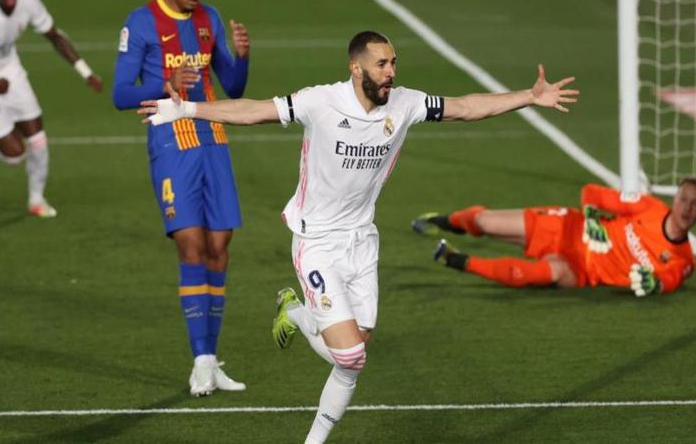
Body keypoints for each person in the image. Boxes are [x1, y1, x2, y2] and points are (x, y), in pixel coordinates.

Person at [136, 30, 578, 442]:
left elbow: (465, 106)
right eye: (383, 64)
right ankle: (300, 329)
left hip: (362, 241)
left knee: (354, 357)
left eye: (394, 63)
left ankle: (296, 316)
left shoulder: (404, 103)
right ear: (356, 68)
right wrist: (188, 109)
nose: (391, 72)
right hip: (317, 242)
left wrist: (529, 97)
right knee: (349, 357)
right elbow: (253, 111)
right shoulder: (321, 102)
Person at [112, 0, 250, 397]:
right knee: (191, 244)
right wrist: (162, 83)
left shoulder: (210, 18)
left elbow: (234, 87)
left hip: (213, 136)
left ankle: (211, 359)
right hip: (171, 143)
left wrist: (242, 57)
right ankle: (200, 359)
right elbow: (121, 93)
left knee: (219, 245)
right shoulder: (141, 21)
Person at [413, 178, 696, 296]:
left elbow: (672, 278)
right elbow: (591, 192)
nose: (687, 208)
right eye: (684, 200)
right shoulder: (649, 207)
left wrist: (655, 283)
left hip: (582, 271)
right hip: (568, 227)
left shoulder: (684, 260)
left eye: (695, 204)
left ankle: (455, 259)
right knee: (483, 221)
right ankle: (446, 222)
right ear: (675, 198)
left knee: (538, 272)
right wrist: (592, 218)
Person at [0, 0, 103, 218]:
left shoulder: (29, 1)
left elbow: (54, 36)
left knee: (38, 141)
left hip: (10, 73)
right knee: (15, 155)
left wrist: (86, 72)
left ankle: (36, 200)